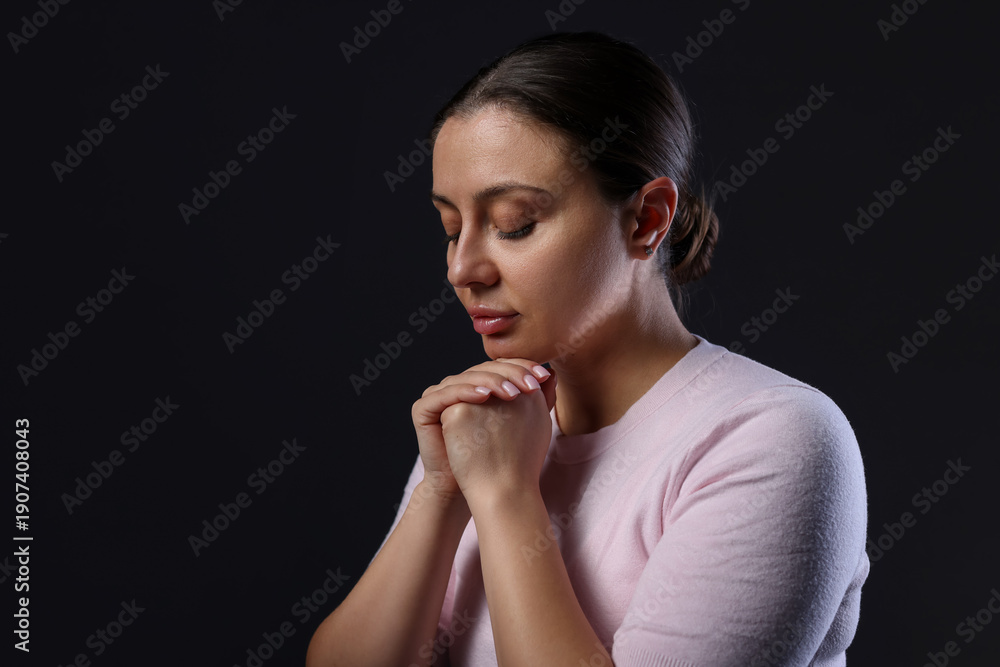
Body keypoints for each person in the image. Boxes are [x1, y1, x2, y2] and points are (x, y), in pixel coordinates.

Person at [306, 31, 869, 667]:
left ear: (647, 219)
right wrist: (441, 491)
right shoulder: (490, 424)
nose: (463, 269)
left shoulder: (771, 436)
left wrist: (505, 496)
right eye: (451, 228)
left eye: (514, 224)